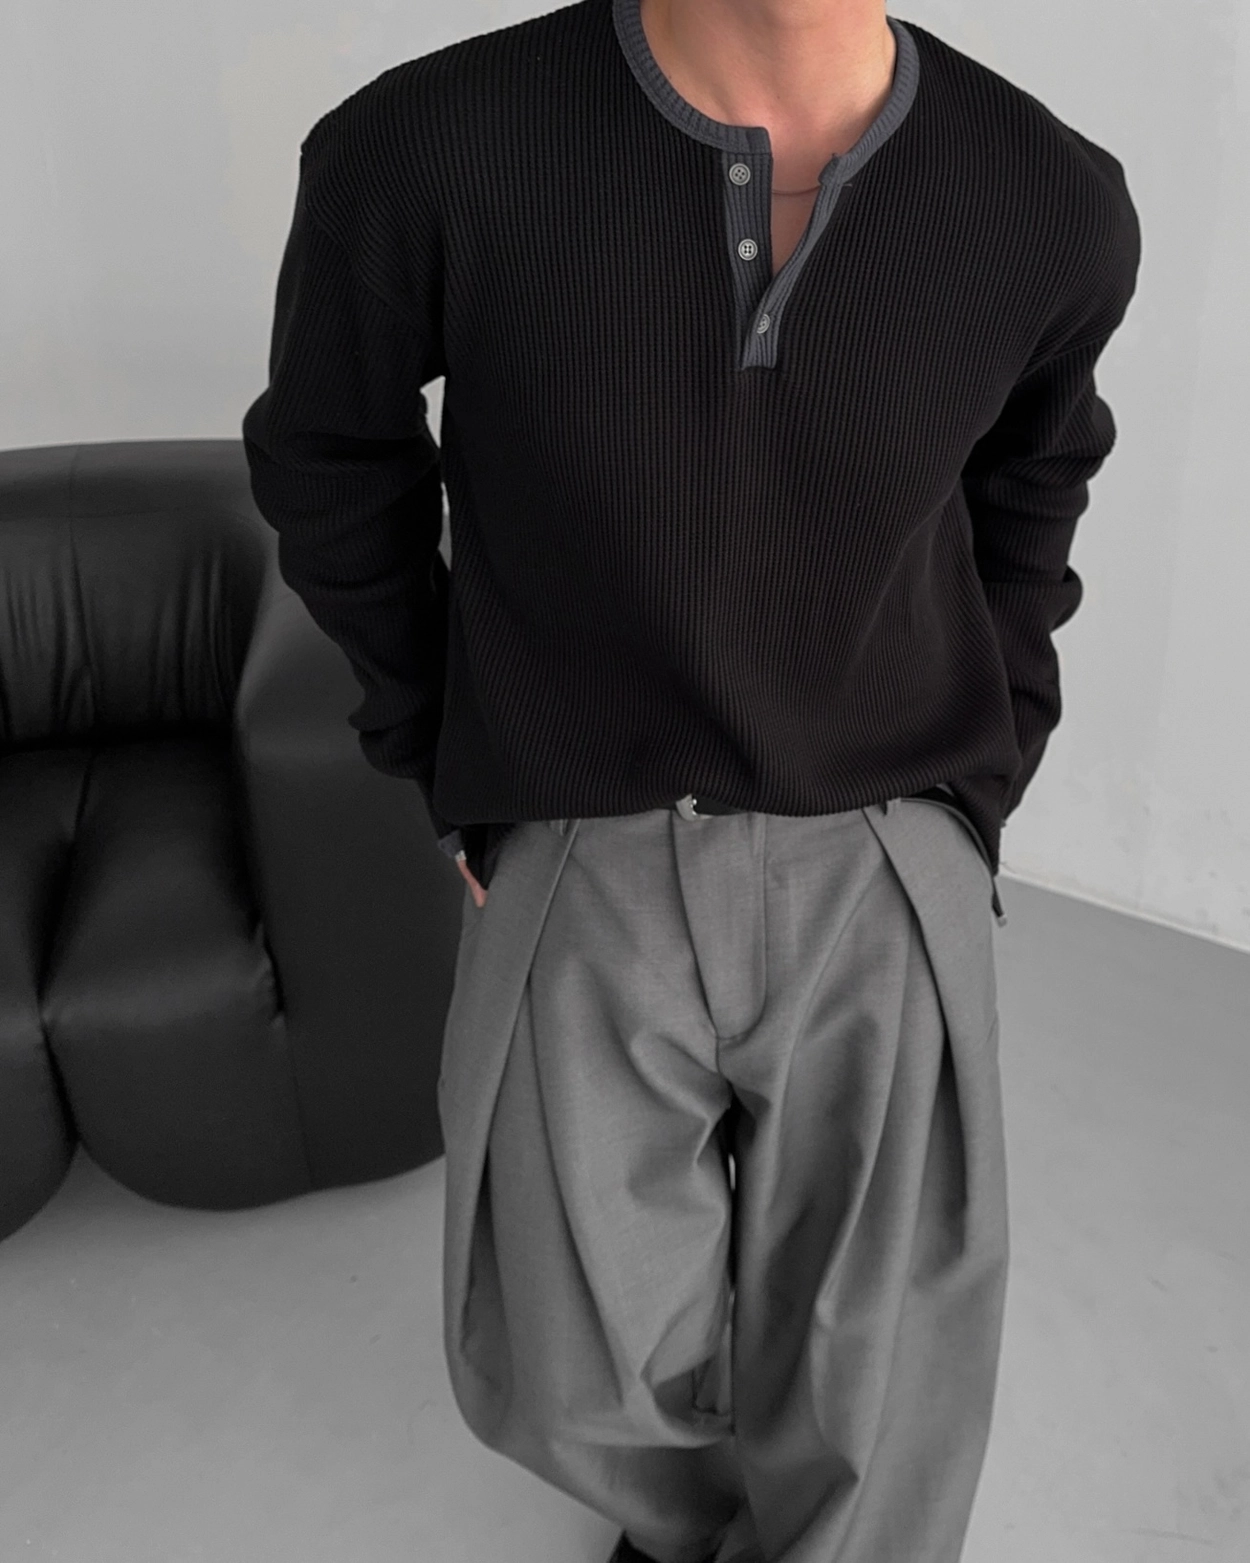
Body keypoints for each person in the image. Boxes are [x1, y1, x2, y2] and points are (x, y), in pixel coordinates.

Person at [242, 0, 1141, 1558]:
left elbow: (1030, 497)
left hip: (884, 848)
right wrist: (449, 749)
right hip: (578, 836)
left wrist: (974, 791)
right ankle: (689, 1526)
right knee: (566, 1361)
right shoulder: (425, 145)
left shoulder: (1049, 198)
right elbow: (329, 458)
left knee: (884, 1382)